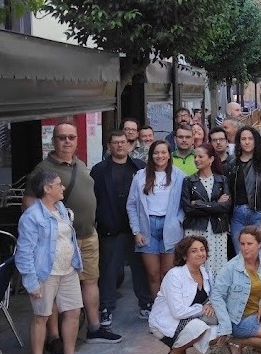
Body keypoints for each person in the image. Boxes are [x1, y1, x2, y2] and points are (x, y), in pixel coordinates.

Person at [23, 122, 121, 354]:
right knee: (54, 289)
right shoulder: (43, 169)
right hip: (59, 241)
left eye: (71, 137)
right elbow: (28, 204)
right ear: (54, 141)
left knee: (90, 281)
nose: (67, 141)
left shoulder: (80, 164)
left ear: (77, 140)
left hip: (87, 235)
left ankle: (95, 327)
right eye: (62, 137)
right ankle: (55, 338)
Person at [16, 170, 95, 354]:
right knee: (41, 317)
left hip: (67, 269)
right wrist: (31, 282)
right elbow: (24, 252)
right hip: (45, 272)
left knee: (72, 312)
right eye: (59, 184)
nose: (63, 188)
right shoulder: (31, 216)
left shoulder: (61, 209)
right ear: (47, 189)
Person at [91, 130, 146, 328]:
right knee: (108, 270)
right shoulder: (98, 170)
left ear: (129, 145)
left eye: (123, 142)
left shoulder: (140, 167)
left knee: (140, 268)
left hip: (136, 227)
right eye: (115, 143)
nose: (120, 146)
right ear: (109, 146)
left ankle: (145, 303)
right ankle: (106, 308)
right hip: (110, 227)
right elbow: (93, 199)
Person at [212, 227, 261, 354]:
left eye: (249, 244)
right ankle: (236, 341)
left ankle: (259, 344)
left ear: (260, 244)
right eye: (242, 244)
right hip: (240, 318)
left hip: (260, 311)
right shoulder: (230, 268)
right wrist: (225, 326)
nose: (245, 248)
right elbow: (217, 295)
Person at [148, 236, 216, 354]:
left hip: (189, 318)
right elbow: (178, 312)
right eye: (194, 251)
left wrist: (210, 305)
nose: (200, 254)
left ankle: (182, 352)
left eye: (202, 250)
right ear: (185, 255)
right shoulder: (175, 275)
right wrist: (201, 309)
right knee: (200, 328)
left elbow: (212, 296)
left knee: (218, 327)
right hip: (167, 321)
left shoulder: (206, 273)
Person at [127, 140, 186, 303]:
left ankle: (170, 307)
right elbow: (131, 204)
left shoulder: (179, 175)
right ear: (151, 155)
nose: (160, 156)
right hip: (147, 228)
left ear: (169, 154)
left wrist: (178, 221)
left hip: (170, 227)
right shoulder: (140, 176)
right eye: (156, 153)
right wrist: (136, 230)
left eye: (163, 152)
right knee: (152, 274)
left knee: (168, 273)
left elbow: (185, 203)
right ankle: (157, 308)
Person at [181, 143, 233, 280]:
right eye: (195, 156)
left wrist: (199, 204)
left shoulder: (222, 180)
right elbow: (188, 209)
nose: (196, 159)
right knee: (196, 263)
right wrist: (215, 205)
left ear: (210, 159)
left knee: (218, 265)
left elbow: (226, 207)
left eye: (200, 156)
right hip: (196, 228)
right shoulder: (189, 181)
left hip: (217, 229)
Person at [228, 126, 261, 254]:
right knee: (241, 256)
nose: (247, 142)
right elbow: (228, 191)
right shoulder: (232, 163)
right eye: (243, 139)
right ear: (239, 142)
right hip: (237, 216)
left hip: (258, 214)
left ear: (256, 141)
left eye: (250, 138)